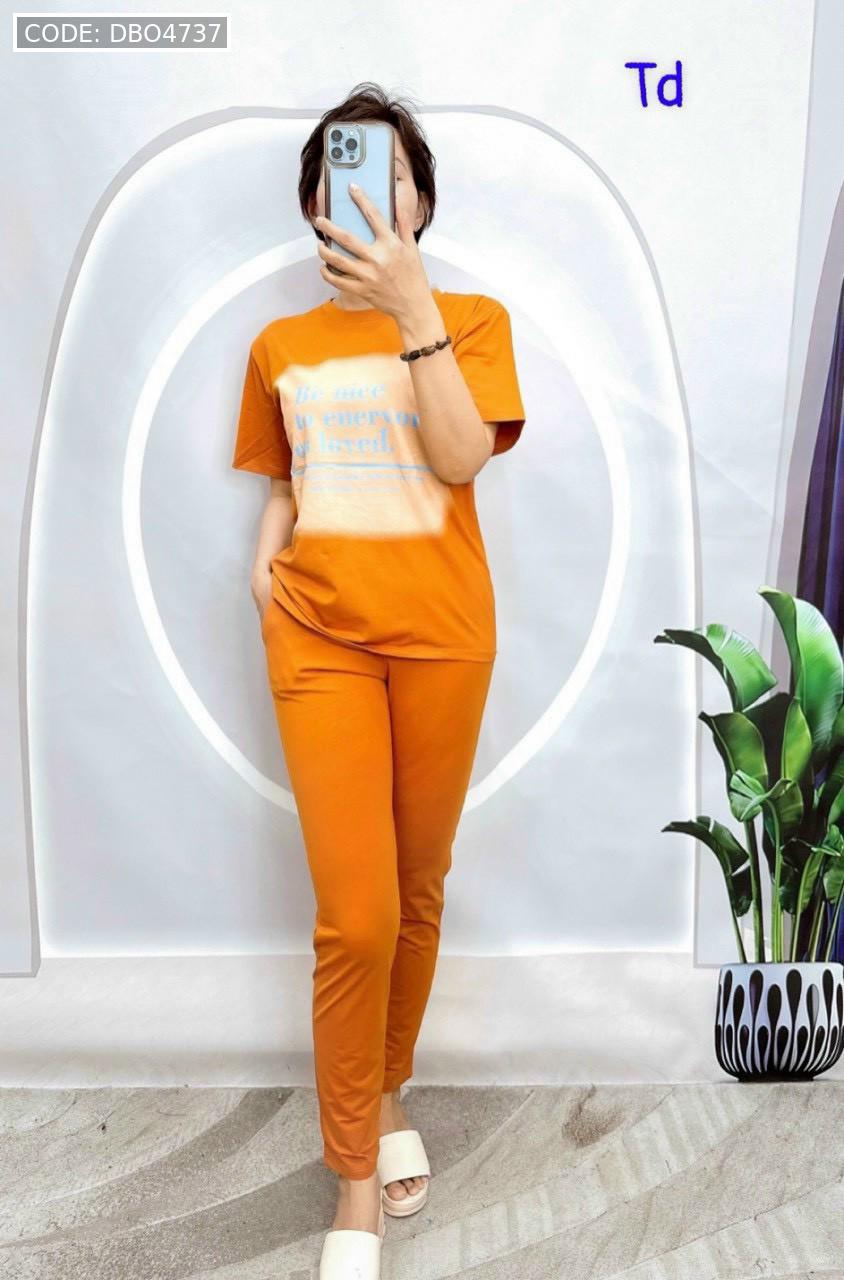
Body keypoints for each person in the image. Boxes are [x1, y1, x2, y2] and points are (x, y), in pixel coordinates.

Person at [231, 82, 526, 1278]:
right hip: (319, 638)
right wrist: (264, 559)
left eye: (392, 175)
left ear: (422, 203)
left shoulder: (474, 320)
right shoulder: (278, 345)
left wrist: (411, 310)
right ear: (315, 203)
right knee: (353, 916)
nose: (368, 192)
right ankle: (353, 1170)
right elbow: (285, 478)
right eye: (345, 174)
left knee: (413, 890)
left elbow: (457, 457)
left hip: (443, 634)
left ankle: (387, 1083)